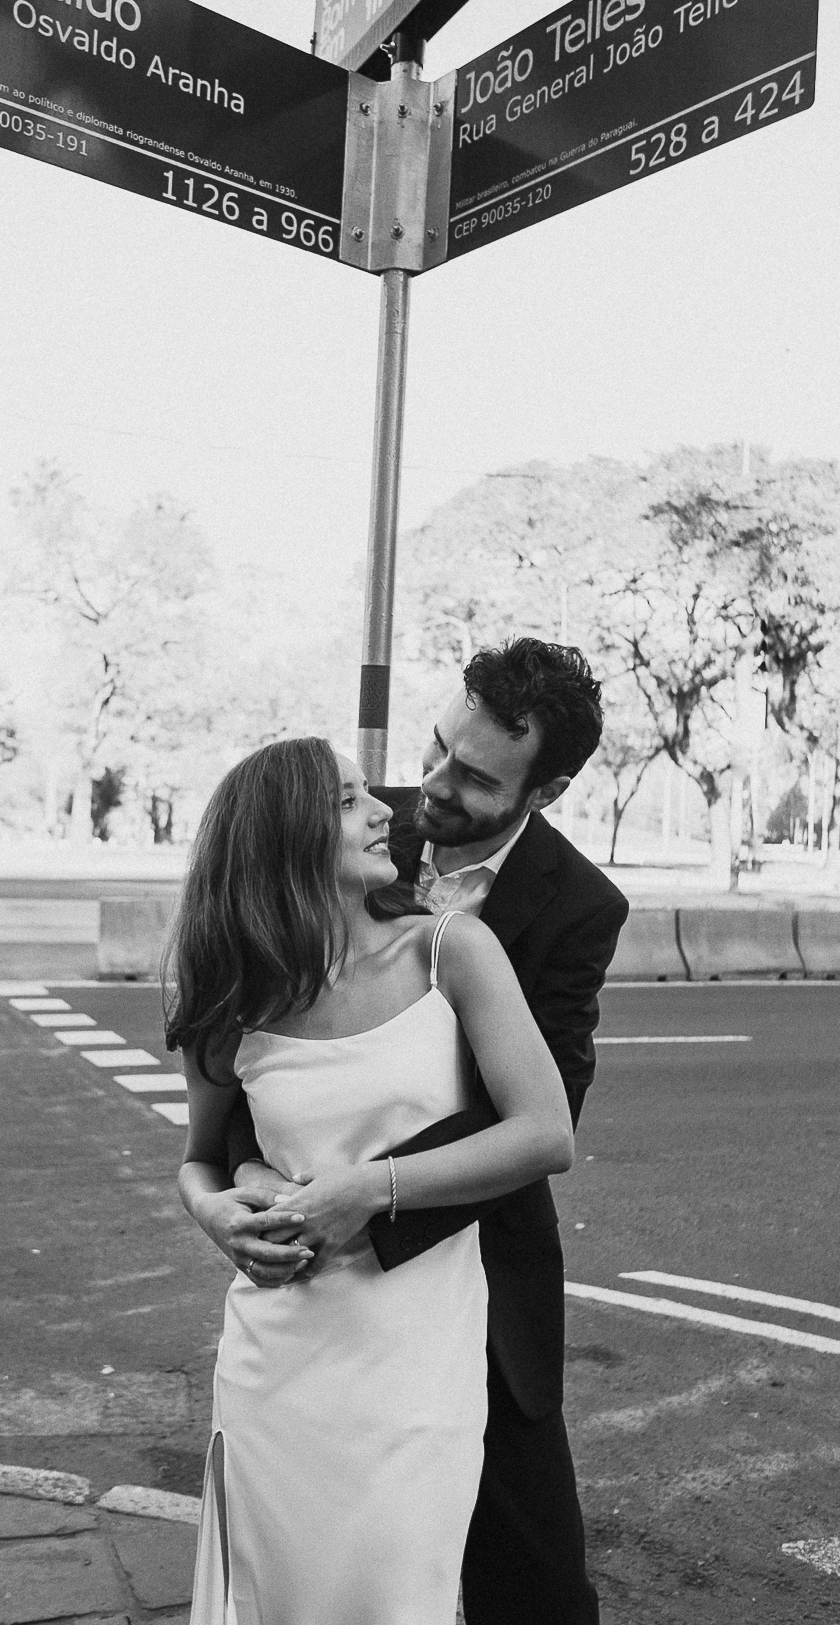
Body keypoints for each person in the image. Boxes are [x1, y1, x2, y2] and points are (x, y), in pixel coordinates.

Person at [223, 638, 629, 1625]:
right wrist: (254, 1190)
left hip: (482, 1258)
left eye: (475, 777)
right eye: (438, 747)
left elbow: (544, 1110)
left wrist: (368, 1195)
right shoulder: (355, 825)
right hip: (323, 1278)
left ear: (548, 790)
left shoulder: (579, 905)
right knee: (331, 1554)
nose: (433, 786)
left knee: (536, 1583)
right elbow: (260, 1054)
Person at [170, 735, 574, 1625]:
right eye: (349, 800)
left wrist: (370, 1188)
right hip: (277, 1364)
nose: (387, 809)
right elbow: (202, 1156)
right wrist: (212, 1212)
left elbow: (545, 1132)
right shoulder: (235, 1000)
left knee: (399, 1597)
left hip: (416, 1362)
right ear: (285, 839)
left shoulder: (450, 951)